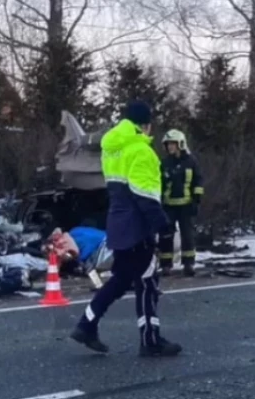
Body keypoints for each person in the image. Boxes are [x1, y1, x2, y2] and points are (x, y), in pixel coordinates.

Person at [70, 100, 182, 357]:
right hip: (137, 228)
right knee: (147, 281)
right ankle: (150, 341)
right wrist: (163, 226)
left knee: (120, 280)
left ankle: (86, 324)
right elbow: (145, 196)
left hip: (118, 224)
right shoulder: (141, 151)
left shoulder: (112, 149)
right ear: (145, 125)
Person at [157, 129, 203, 277]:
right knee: (166, 236)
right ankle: (165, 266)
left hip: (186, 205)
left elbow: (198, 180)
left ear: (180, 144)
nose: (170, 147)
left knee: (188, 235)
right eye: (168, 144)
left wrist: (196, 200)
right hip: (168, 205)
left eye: (172, 144)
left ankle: (188, 264)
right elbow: (160, 183)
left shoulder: (191, 161)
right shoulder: (164, 163)